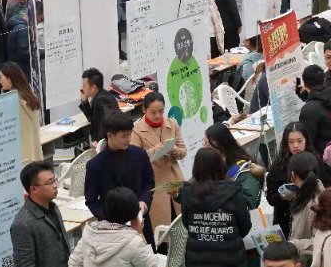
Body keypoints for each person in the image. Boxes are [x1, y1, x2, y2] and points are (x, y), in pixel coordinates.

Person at [85, 111, 155, 245]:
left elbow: (149, 183)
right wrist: (112, 219)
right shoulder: (95, 165)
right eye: (124, 136)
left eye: (130, 134)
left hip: (141, 221)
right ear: (110, 135)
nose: (128, 139)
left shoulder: (140, 155)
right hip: (112, 233)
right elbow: (91, 201)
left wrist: (144, 202)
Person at [179, 147, 252, 267]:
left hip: (197, 261)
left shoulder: (188, 193)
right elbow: (245, 226)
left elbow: (186, 223)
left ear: (196, 167)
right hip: (231, 259)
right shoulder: (233, 192)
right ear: (220, 166)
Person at [68, 187, 167, 267]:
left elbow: (73, 263)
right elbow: (152, 264)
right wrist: (139, 234)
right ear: (133, 213)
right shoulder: (133, 242)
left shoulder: (89, 234)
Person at [130, 92, 186, 231]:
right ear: (144, 109)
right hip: (154, 183)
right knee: (162, 227)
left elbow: (183, 151)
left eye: (161, 111)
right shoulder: (136, 130)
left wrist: (174, 150)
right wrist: (155, 150)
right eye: (153, 112)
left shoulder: (172, 124)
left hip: (174, 177)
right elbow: (134, 160)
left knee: (181, 222)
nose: (157, 116)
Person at [10, 161, 72, 267]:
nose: (55, 186)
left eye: (54, 180)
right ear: (33, 189)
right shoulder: (22, 224)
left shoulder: (53, 207)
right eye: (49, 182)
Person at [266, 122, 317, 238]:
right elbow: (270, 196)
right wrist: (282, 197)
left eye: (299, 141)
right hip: (285, 220)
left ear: (306, 141)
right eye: (291, 142)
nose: (295, 145)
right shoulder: (278, 167)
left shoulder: (314, 161)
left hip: (310, 218)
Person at [204, 124, 265, 207]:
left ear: (217, 144)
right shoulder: (213, 164)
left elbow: (250, 202)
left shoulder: (241, 168)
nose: (205, 147)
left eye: (207, 144)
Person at [0, 62, 42, 162]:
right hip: (34, 153)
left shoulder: (12, 100)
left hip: (21, 157)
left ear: (10, 77)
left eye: (1, 77)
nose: (0, 81)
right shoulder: (29, 95)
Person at [297, 65, 331, 158]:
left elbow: (306, 141)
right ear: (323, 79)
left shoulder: (309, 109)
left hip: (323, 158)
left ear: (305, 83)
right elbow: (318, 98)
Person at [287, 151, 324, 252]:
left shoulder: (316, 204)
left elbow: (321, 242)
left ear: (293, 175)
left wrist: (293, 245)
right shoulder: (306, 193)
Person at [79, 67, 119, 142]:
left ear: (94, 87)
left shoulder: (101, 101)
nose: (82, 88)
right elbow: (91, 118)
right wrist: (85, 101)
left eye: (84, 85)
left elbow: (107, 122)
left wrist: (99, 143)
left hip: (108, 144)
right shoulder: (102, 95)